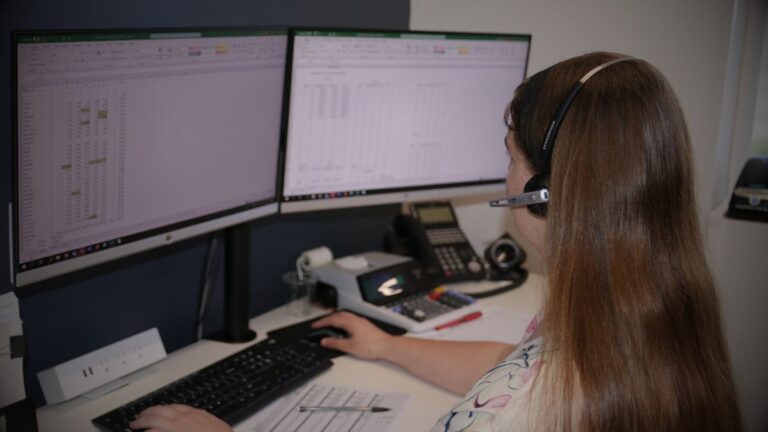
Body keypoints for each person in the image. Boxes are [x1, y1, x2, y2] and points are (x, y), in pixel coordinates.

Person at [129, 52, 741, 432]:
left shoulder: (520, 417)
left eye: (511, 158)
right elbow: (513, 365)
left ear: (549, 193)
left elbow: (517, 396)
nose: (504, 172)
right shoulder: (654, 312)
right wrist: (388, 348)